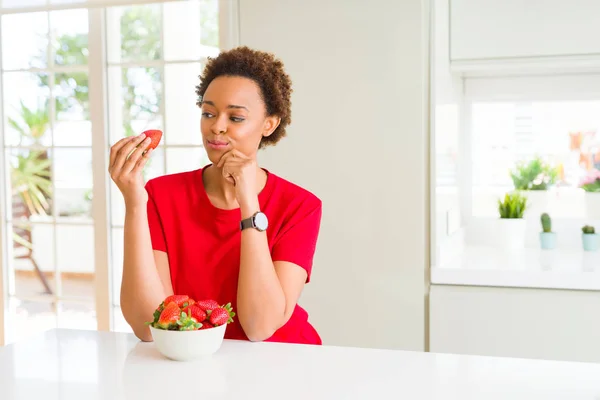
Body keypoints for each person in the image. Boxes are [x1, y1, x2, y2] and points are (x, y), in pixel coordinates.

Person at [109, 46, 323, 345]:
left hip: (283, 361)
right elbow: (148, 325)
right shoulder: (160, 195)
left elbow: (259, 327)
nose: (216, 127)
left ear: (268, 124)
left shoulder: (300, 206)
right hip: (195, 361)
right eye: (208, 113)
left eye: (235, 118)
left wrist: (249, 203)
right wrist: (134, 203)